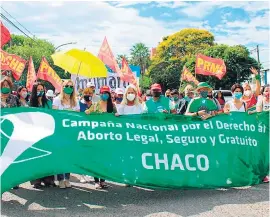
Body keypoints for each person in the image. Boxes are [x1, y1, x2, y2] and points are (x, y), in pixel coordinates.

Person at [85, 85, 114, 189]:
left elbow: (117, 118)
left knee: (105, 159)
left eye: (106, 93)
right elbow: (87, 113)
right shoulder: (96, 105)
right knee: (96, 159)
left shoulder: (112, 106)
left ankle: (103, 181)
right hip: (96, 136)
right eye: (102, 93)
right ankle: (96, 181)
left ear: (109, 95)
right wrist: (87, 112)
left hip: (107, 137)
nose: (104, 95)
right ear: (99, 94)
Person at [53, 80, 80, 189]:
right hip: (60, 132)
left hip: (71, 133)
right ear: (62, 87)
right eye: (66, 86)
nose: (69, 87)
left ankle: (67, 178)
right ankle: (60, 179)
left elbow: (78, 116)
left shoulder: (76, 101)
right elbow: (55, 115)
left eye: (71, 86)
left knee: (69, 156)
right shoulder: (56, 100)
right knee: (60, 155)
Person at [29, 82, 55, 188]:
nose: (40, 91)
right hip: (35, 134)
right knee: (36, 156)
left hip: (47, 133)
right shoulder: (30, 103)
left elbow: (53, 116)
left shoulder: (48, 103)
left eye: (42, 89)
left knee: (47, 156)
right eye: (38, 89)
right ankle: (36, 180)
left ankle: (48, 179)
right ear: (34, 91)